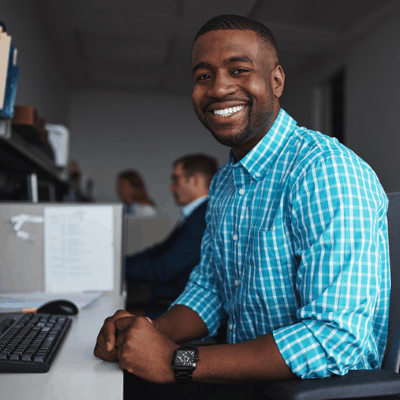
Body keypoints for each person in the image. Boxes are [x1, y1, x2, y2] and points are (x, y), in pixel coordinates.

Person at [94, 15, 390, 400]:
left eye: (238, 70)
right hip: (241, 377)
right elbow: (211, 290)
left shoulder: (323, 170)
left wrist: (175, 361)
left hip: (310, 389)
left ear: (277, 81)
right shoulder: (224, 182)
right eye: (203, 76)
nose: (218, 88)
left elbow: (336, 340)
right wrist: (147, 333)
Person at [124, 154, 218, 319]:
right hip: (169, 300)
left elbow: (163, 268)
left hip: (177, 308)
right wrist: (120, 263)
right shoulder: (196, 214)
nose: (171, 187)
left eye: (175, 179)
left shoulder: (204, 218)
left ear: (195, 179)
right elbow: (159, 250)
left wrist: (118, 267)